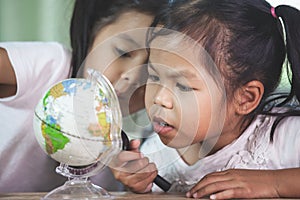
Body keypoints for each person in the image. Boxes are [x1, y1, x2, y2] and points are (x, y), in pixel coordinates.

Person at [111, 0, 300, 199]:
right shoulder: (154, 153)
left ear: (245, 98)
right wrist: (140, 186)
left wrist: (274, 183)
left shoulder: (283, 135)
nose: (159, 98)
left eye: (183, 86)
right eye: (154, 77)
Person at [0, 0, 167, 192]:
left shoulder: (150, 135)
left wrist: (138, 183)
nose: (134, 76)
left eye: (152, 69)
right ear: (91, 34)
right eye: (123, 53)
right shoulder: (50, 67)